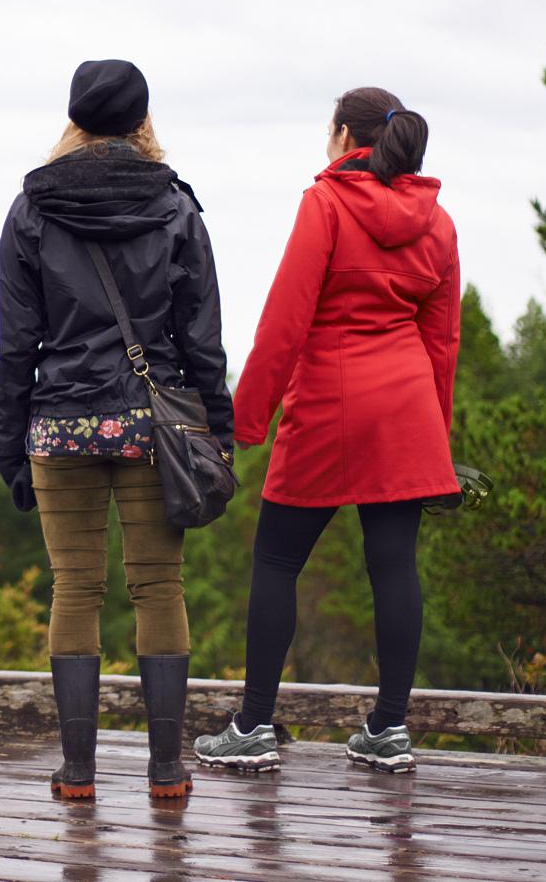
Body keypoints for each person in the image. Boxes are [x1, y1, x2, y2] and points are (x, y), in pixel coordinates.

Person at [193, 86, 460, 776]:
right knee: (394, 566)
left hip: (330, 405)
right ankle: (389, 729)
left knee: (277, 561)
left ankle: (252, 726)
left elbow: (285, 321)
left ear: (344, 136)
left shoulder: (326, 204)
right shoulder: (439, 222)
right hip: (406, 410)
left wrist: (243, 419)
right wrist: (437, 443)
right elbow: (443, 342)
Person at [0, 59, 233, 800]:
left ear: (75, 118)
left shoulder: (31, 209)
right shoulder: (175, 207)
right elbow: (201, 336)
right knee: (159, 587)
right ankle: (165, 774)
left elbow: (15, 347)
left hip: (59, 426)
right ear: (141, 120)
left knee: (76, 589)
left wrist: (10, 445)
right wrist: (217, 432)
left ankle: (78, 774)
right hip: (152, 430)